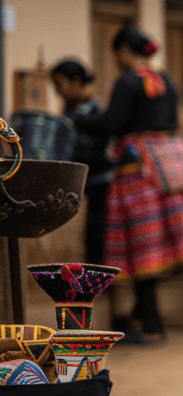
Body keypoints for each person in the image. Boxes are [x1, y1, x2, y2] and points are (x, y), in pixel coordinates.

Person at [71, 26, 183, 340]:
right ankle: (146, 312)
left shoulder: (127, 81)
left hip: (139, 168)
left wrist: (77, 118)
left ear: (123, 51)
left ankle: (150, 317)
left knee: (140, 244)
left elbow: (112, 124)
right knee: (161, 242)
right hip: (173, 164)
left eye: (116, 54)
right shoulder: (167, 80)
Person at [50, 59, 113, 265]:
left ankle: (96, 280)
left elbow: (103, 154)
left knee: (96, 233)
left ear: (75, 82)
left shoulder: (97, 114)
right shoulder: (68, 113)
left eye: (60, 85)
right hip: (77, 180)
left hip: (97, 182)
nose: (58, 92)